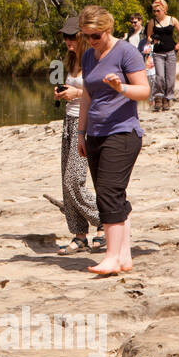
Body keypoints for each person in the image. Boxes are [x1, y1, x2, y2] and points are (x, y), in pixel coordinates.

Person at [77, 5, 149, 276]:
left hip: (123, 132)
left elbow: (144, 90)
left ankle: (111, 257)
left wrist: (122, 88)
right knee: (113, 195)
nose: (90, 41)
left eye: (95, 36)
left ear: (108, 29)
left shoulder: (126, 52)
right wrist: (81, 134)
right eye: (86, 36)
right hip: (95, 134)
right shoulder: (87, 56)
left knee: (108, 194)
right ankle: (124, 256)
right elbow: (86, 97)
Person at [53, 14, 102, 253]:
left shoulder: (94, 59)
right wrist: (63, 92)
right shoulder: (70, 59)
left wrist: (77, 94)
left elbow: (102, 94)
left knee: (74, 179)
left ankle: (106, 219)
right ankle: (79, 235)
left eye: (72, 36)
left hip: (88, 122)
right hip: (69, 121)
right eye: (65, 36)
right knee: (66, 180)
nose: (68, 41)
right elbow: (74, 89)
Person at [146, 0, 179, 111]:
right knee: (160, 77)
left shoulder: (172, 20)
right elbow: (148, 36)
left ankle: (167, 98)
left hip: (171, 52)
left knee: (170, 77)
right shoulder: (152, 22)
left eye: (158, 10)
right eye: (154, 11)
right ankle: (158, 97)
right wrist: (153, 40)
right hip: (158, 53)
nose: (156, 13)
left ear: (164, 10)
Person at [123, 13, 156, 109]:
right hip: (130, 60)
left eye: (135, 22)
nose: (133, 24)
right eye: (132, 22)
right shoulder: (130, 33)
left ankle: (150, 101)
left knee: (149, 80)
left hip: (143, 58)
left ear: (140, 21)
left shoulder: (144, 33)